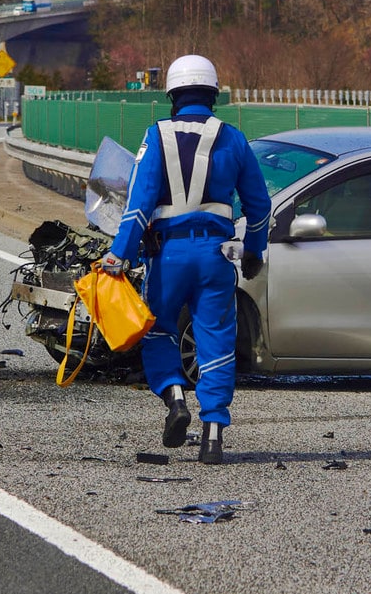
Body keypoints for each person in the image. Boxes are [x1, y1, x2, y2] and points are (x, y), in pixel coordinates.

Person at [100, 54, 271, 465]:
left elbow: (138, 205)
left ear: (173, 95)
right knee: (216, 341)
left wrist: (119, 255)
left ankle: (176, 399)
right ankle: (213, 435)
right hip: (215, 256)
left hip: (169, 255)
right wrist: (254, 249)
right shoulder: (233, 138)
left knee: (159, 331)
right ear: (214, 95)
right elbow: (260, 205)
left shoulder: (156, 136)